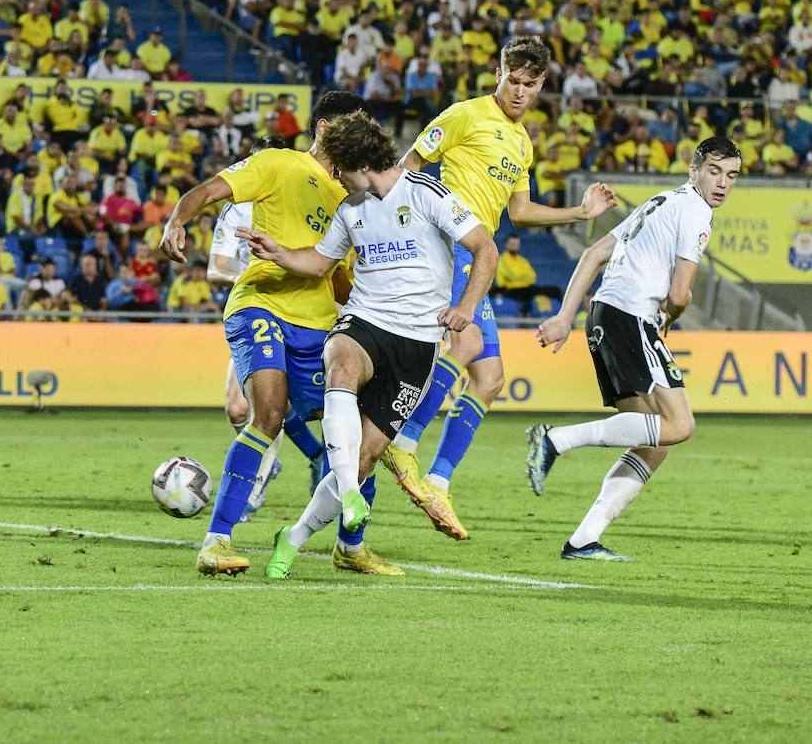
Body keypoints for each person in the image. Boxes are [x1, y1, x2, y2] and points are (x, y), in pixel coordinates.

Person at [382, 36, 618, 540]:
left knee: (489, 379)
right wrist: (394, 231)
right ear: (498, 73)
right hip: (447, 246)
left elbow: (520, 211)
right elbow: (407, 168)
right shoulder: (464, 115)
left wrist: (579, 212)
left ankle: (439, 481)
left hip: (480, 257)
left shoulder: (522, 142)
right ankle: (403, 437)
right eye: (513, 80)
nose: (519, 92)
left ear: (541, 87)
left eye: (530, 85)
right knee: (466, 344)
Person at [245, 111, 497, 579]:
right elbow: (320, 263)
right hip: (365, 321)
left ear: (360, 160)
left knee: (363, 456)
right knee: (340, 369)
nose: (334, 176)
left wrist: (465, 306)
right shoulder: (350, 209)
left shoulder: (425, 193)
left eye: (338, 166)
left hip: (417, 343)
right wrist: (278, 252)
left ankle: (294, 536)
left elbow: (486, 247)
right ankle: (350, 490)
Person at [161, 90, 398, 577]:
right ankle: (216, 541)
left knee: (355, 436)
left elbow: (331, 273)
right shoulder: (278, 164)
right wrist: (177, 221)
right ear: (328, 128)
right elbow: (208, 191)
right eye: (353, 127)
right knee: (266, 414)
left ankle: (351, 547)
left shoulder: (353, 198)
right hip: (261, 304)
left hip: (318, 326)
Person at [528, 137, 743, 560]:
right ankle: (556, 439)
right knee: (680, 426)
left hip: (604, 318)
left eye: (731, 175)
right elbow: (679, 294)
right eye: (714, 171)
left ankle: (583, 540)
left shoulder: (660, 202)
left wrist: (563, 318)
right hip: (630, 317)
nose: (721, 183)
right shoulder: (696, 211)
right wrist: (674, 313)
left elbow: (592, 254)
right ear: (694, 170)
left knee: (654, 441)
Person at [207, 136, 326, 517]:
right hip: (258, 308)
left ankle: (253, 486)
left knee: (271, 406)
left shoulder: (306, 200)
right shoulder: (236, 210)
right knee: (238, 409)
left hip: (304, 314)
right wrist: (262, 270)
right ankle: (310, 453)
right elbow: (216, 269)